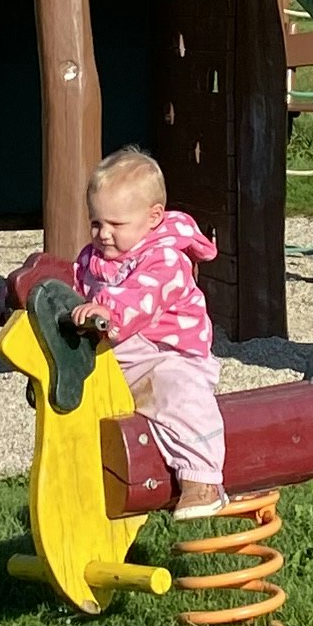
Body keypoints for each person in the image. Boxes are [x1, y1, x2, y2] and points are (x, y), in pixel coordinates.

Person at [70, 147, 236, 516]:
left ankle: (203, 479)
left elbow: (142, 297)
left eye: (116, 224)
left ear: (153, 217)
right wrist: (19, 299)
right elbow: (70, 287)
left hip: (167, 355)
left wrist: (107, 311)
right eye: (96, 223)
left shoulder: (166, 259)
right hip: (119, 354)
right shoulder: (93, 258)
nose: (103, 234)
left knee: (178, 396)